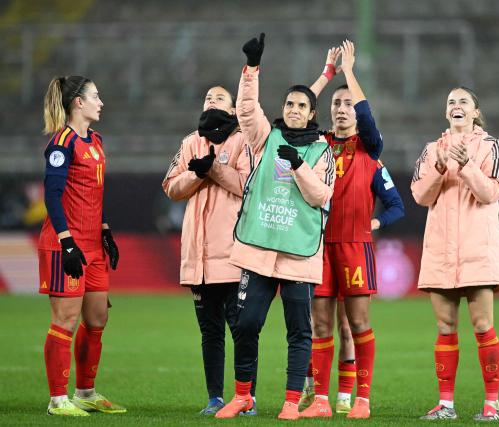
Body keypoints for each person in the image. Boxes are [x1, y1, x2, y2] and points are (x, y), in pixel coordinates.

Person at [214, 33, 335, 421]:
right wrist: (251, 69)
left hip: (299, 253)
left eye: (302, 105)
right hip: (261, 248)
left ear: (312, 114)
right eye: (289, 103)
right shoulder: (267, 138)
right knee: (246, 325)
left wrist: (298, 166)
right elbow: (247, 111)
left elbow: (321, 197)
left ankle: (290, 401)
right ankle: (243, 396)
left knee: (299, 333)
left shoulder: (321, 150)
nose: (294, 109)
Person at [298, 40, 403, 419]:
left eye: (347, 105)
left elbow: (368, 116)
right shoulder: (318, 144)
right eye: (336, 104)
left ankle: (361, 399)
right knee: (321, 323)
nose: (341, 109)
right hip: (319, 246)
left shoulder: (369, 149)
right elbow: (298, 108)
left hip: (356, 246)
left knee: (357, 323)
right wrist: (327, 74)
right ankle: (323, 402)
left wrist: (349, 72)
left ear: (356, 114)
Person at [410, 87, 499, 421]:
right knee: (445, 326)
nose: (456, 106)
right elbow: (420, 196)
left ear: (476, 112)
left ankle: (491, 404)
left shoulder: (492, 147)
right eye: (450, 102)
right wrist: (438, 167)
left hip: (477, 250)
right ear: (445, 113)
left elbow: (489, 193)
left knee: (482, 325)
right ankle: (446, 405)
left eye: (463, 101)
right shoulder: (430, 150)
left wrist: (465, 166)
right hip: (440, 250)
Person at [162, 84, 258, 416]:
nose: (210, 101)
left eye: (218, 98)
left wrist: (214, 169)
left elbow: (249, 186)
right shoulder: (191, 142)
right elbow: (171, 187)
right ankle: (215, 398)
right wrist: (196, 173)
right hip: (199, 259)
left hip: (233, 255)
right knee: (211, 332)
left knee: (242, 330)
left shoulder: (243, 140)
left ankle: (247, 398)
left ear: (232, 110)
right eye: (206, 97)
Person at [38, 76, 124, 416]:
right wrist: (67, 242)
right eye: (96, 96)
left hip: (92, 244)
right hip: (67, 244)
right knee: (65, 320)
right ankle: (58, 400)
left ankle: (86, 392)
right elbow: (52, 195)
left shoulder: (97, 140)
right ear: (78, 103)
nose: (101, 102)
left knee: (97, 316)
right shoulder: (62, 143)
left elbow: (95, 192)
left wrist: (105, 231)